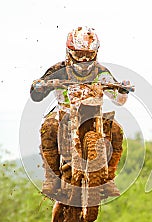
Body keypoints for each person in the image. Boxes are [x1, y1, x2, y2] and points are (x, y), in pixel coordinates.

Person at [30, 26, 129, 197]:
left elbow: (118, 100)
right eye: (79, 54)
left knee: (116, 130)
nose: (83, 59)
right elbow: (36, 95)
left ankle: (109, 177)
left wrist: (122, 90)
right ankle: (51, 177)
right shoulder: (58, 71)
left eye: (88, 55)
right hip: (64, 112)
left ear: (96, 53)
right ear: (69, 52)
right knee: (49, 126)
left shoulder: (101, 72)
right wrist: (40, 86)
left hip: (93, 114)